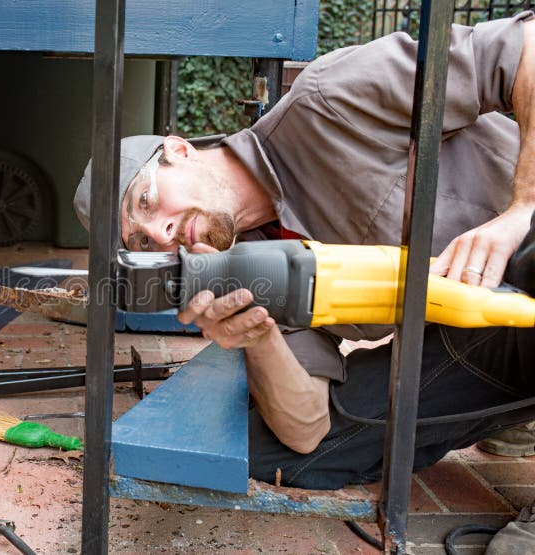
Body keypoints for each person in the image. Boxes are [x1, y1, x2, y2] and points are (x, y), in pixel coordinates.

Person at [73, 12, 535, 490]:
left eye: (145, 201)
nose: (163, 233)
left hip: (528, 250)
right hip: (487, 328)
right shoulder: (252, 272)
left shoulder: (329, 99)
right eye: (143, 242)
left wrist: (523, 209)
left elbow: (527, 43)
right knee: (273, 453)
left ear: (179, 149)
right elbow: (307, 429)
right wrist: (260, 339)